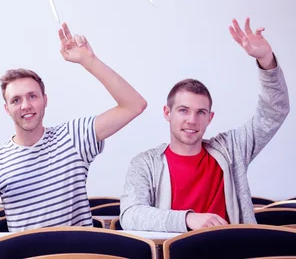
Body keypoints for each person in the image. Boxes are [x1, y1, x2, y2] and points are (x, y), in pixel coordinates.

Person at [120, 17, 290, 232]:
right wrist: (188, 219)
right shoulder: (145, 163)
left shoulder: (231, 150)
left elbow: (275, 111)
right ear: (167, 113)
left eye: (201, 112)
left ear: (210, 117)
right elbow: (131, 215)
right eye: (183, 110)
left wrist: (267, 61)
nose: (192, 120)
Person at [0, 22, 148, 232]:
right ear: (7, 109)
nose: (26, 105)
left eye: (32, 96)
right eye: (16, 100)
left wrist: (89, 61)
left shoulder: (73, 136)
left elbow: (134, 105)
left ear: (45, 100)